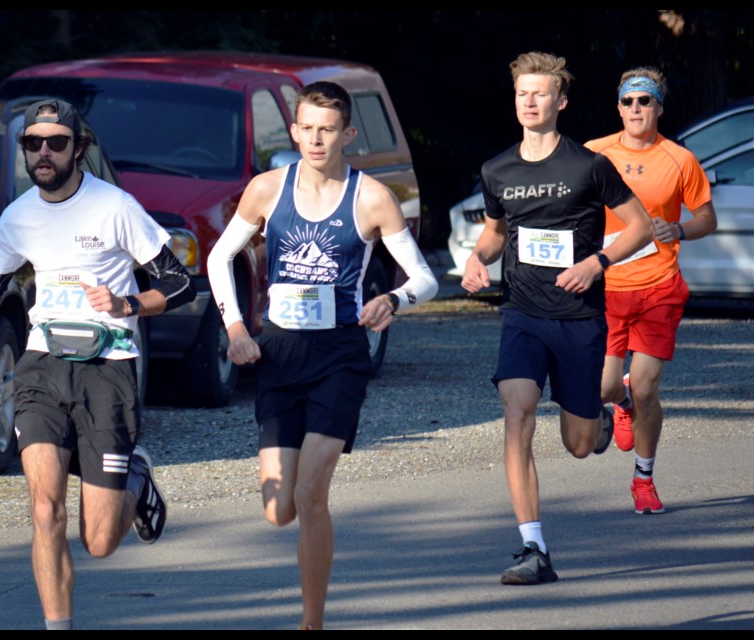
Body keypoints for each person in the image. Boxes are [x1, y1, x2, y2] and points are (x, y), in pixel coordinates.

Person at [0, 98, 195, 630]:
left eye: (56, 142)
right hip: (42, 365)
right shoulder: (19, 215)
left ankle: (135, 475)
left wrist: (128, 305)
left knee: (101, 540)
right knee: (45, 512)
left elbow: (179, 284)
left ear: (78, 149)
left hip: (107, 367)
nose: (43, 152)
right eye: (32, 143)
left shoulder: (116, 207)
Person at [206, 81, 438, 629]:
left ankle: (312, 622)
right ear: (293, 131)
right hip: (279, 354)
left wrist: (393, 299)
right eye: (306, 128)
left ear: (347, 134)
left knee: (311, 494)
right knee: (278, 509)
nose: (315, 139)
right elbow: (219, 259)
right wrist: (236, 326)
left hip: (339, 354)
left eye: (327, 129)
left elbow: (425, 278)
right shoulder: (266, 189)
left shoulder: (372, 198)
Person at [461, 52, 654, 586]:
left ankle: (608, 403)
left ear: (560, 101)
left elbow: (639, 226)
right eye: (522, 92)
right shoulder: (497, 169)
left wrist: (598, 263)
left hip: (580, 317)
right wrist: (478, 261)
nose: (529, 100)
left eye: (539, 92)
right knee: (517, 412)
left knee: (578, 442)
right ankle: (533, 547)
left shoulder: (587, 164)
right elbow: (497, 233)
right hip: (522, 311)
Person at [585, 68, 717, 515]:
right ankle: (619, 402)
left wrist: (678, 226)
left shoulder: (680, 159)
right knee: (604, 388)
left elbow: (707, 218)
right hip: (605, 289)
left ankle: (643, 479)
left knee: (646, 389)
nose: (636, 109)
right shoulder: (594, 153)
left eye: (645, 101)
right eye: (628, 102)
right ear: (618, 107)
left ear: (659, 106)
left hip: (659, 286)